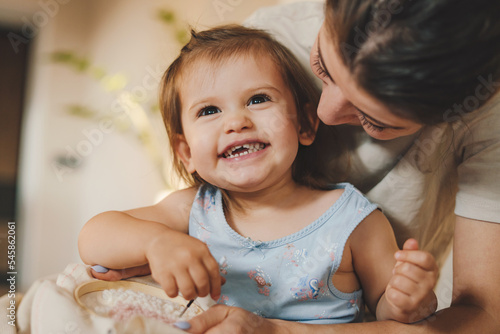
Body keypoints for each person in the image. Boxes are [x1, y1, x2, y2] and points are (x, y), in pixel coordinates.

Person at [172, 0, 500, 333]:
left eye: (373, 120)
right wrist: (155, 242)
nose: (324, 114)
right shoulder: (261, 47)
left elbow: (484, 316)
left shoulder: (359, 219)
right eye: (322, 67)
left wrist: (278, 331)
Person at [78, 25, 439, 325]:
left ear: (305, 124)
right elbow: (93, 238)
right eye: (209, 110)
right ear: (186, 153)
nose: (236, 122)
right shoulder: (195, 209)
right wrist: (156, 243)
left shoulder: (352, 219)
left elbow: (389, 318)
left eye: (258, 100)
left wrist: (407, 301)